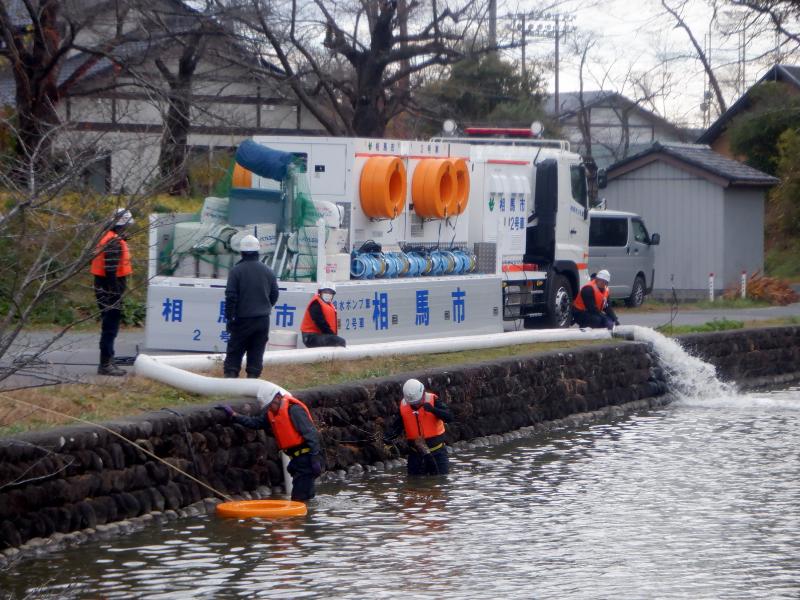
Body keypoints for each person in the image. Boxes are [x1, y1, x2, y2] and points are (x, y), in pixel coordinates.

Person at [217, 384, 324, 501]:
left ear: (278, 397)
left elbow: (311, 435)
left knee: (299, 500)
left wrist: (315, 459)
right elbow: (255, 423)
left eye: (271, 405)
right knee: (305, 498)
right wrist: (234, 415)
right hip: (297, 462)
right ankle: (308, 516)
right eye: (267, 407)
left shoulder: (294, 410)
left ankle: (304, 519)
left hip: (307, 461)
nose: (270, 409)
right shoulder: (272, 413)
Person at [223, 234, 280, 378]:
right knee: (256, 352)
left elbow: (231, 296)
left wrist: (230, 318)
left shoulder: (236, 271)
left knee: (235, 352)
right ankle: (252, 383)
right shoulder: (268, 271)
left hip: (242, 319)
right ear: (258, 251)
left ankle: (230, 382)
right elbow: (274, 295)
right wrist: (264, 306)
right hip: (262, 320)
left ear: (241, 252)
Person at [91, 208, 134, 376]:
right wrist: (114, 295)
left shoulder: (111, 238)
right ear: (122, 225)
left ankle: (109, 361)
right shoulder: (113, 242)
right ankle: (105, 364)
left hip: (104, 289)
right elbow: (110, 271)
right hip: (110, 291)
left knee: (109, 327)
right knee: (110, 328)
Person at [383, 378, 453, 476]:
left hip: (437, 453)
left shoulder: (434, 400)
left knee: (441, 482)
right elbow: (397, 426)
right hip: (416, 455)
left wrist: (434, 410)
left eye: (419, 401)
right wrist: (387, 437)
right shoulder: (403, 407)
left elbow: (450, 417)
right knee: (414, 486)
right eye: (414, 404)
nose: (417, 404)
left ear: (423, 392)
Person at [300, 282, 346, 348]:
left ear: (333, 295)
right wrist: (332, 336)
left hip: (320, 335)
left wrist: (332, 336)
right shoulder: (316, 303)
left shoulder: (330, 305)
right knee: (339, 341)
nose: (328, 294)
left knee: (337, 340)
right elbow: (320, 322)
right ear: (320, 292)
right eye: (325, 292)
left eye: (330, 292)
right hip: (310, 337)